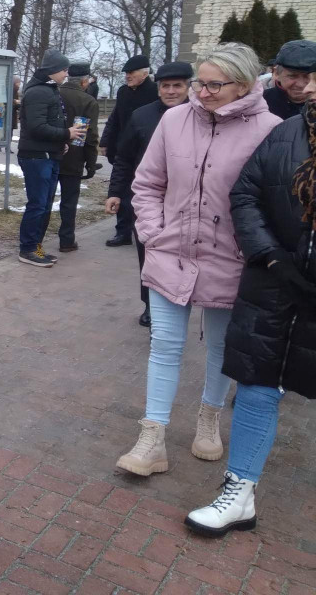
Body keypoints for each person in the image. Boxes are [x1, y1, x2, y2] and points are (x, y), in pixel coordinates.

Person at [116, 43, 280, 477]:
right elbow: (148, 183)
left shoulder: (271, 129)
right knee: (165, 345)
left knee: (221, 348)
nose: (201, 93)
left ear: (243, 86)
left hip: (231, 258)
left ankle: (209, 416)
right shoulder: (174, 120)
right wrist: (152, 233)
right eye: (198, 83)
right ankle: (152, 438)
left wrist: (253, 252)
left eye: (213, 85)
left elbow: (271, 202)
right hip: (171, 250)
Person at [185, 73, 316, 536]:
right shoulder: (290, 132)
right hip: (275, 286)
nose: (310, 88)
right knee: (260, 385)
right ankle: (239, 493)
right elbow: (246, 193)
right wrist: (272, 255)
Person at [104, 62, 192, 328]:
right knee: (148, 254)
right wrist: (115, 193)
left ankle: (182, 299)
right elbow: (124, 158)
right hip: (149, 199)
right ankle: (151, 305)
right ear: (158, 88)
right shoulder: (142, 116)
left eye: (177, 85)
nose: (171, 91)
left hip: (187, 199)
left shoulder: (201, 115)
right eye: (165, 86)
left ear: (189, 87)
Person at [16, 49, 88, 267]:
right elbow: (37, 127)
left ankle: (35, 246)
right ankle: (27, 248)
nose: (66, 74)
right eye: (64, 70)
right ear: (54, 70)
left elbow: (48, 124)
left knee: (45, 205)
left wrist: (60, 144)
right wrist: (67, 134)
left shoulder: (48, 89)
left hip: (48, 155)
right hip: (37, 158)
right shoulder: (39, 92)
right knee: (37, 205)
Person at [100, 54, 159, 247]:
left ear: (144, 73)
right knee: (123, 192)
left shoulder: (154, 92)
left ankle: (145, 230)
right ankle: (123, 232)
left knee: (145, 192)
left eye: (131, 72)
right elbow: (115, 119)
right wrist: (105, 141)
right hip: (124, 149)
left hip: (148, 150)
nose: (127, 76)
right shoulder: (123, 92)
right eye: (126, 73)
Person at [54, 61, 99, 252]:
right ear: (84, 82)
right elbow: (89, 135)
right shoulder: (87, 101)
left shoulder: (55, 94)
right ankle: (66, 240)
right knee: (69, 201)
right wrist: (91, 163)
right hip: (74, 156)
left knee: (44, 200)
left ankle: (36, 242)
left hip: (51, 154)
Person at [264, 40, 316, 120]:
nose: (300, 84)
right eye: (293, 76)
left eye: (307, 77)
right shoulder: (260, 103)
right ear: (276, 73)